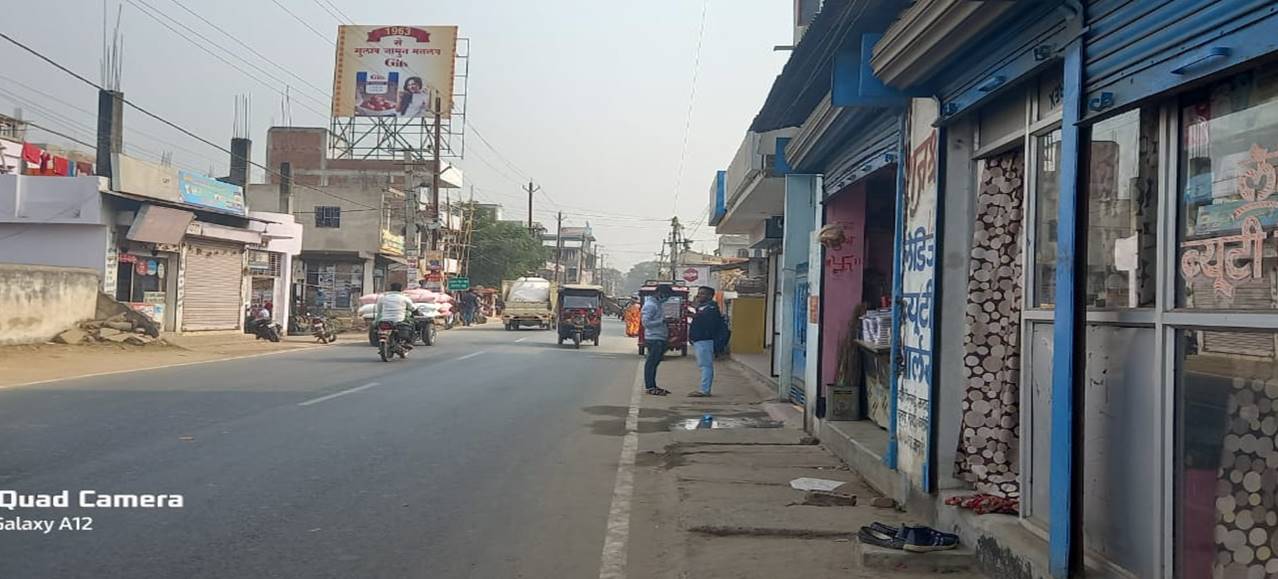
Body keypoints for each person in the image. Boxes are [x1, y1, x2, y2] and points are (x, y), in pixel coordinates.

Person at [688, 286, 726, 397]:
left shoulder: (711, 308)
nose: (699, 296)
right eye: (699, 293)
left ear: (710, 296)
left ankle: (704, 390)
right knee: (704, 365)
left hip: (705, 340)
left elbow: (706, 322)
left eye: (702, 293)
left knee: (706, 366)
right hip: (700, 340)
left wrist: (696, 312)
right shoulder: (704, 307)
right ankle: (704, 389)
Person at [641, 285, 673, 396]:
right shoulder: (650, 305)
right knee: (651, 363)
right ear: (659, 293)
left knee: (654, 363)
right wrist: (662, 321)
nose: (667, 298)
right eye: (666, 296)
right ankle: (650, 387)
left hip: (660, 337)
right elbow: (646, 323)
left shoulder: (657, 304)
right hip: (654, 338)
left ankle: (653, 385)